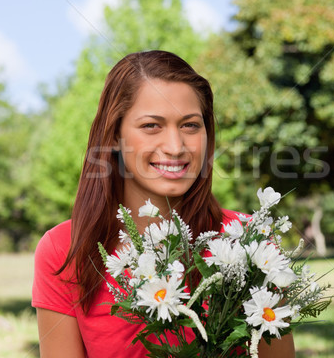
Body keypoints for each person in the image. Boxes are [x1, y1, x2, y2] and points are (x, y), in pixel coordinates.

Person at [32, 50, 295, 357]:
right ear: (114, 135)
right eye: (151, 126)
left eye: (190, 125)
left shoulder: (251, 242)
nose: (175, 146)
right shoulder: (64, 249)